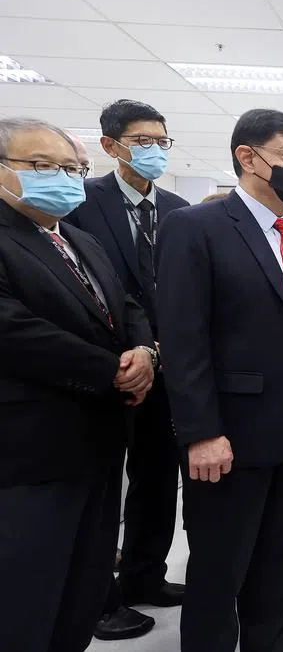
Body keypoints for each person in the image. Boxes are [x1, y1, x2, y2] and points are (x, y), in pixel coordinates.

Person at [155, 109, 283, 652]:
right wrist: (201, 432)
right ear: (247, 157)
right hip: (229, 438)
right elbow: (183, 339)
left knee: (278, 566)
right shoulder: (196, 227)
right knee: (220, 571)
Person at [0, 117, 156, 652]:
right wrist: (109, 369)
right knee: (27, 594)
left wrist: (144, 352)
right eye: (43, 166)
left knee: (81, 585)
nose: (64, 178)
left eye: (73, 169)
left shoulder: (79, 238)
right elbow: (14, 330)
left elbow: (126, 304)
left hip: (100, 442)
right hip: (32, 451)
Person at [63, 99, 189, 640]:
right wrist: (127, 352)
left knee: (157, 480)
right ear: (111, 146)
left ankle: (144, 575)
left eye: (162, 141)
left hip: (168, 366)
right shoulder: (82, 202)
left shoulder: (180, 210)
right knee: (101, 491)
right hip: (110, 368)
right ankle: (98, 600)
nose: (154, 150)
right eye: (143, 141)